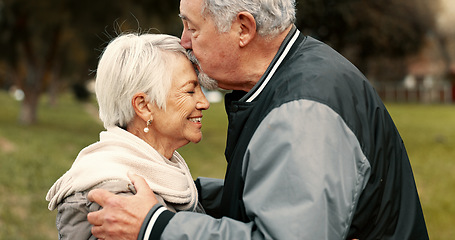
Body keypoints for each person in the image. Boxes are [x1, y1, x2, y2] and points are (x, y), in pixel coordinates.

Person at [87, 0, 429, 239]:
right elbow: (276, 195)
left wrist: (155, 226)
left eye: (192, 26)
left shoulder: (303, 114)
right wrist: (182, 192)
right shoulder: (299, 75)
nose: (184, 41)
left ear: (243, 28)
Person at [46, 33, 210, 239]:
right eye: (190, 91)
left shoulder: (166, 175)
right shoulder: (114, 198)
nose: (204, 102)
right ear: (143, 106)